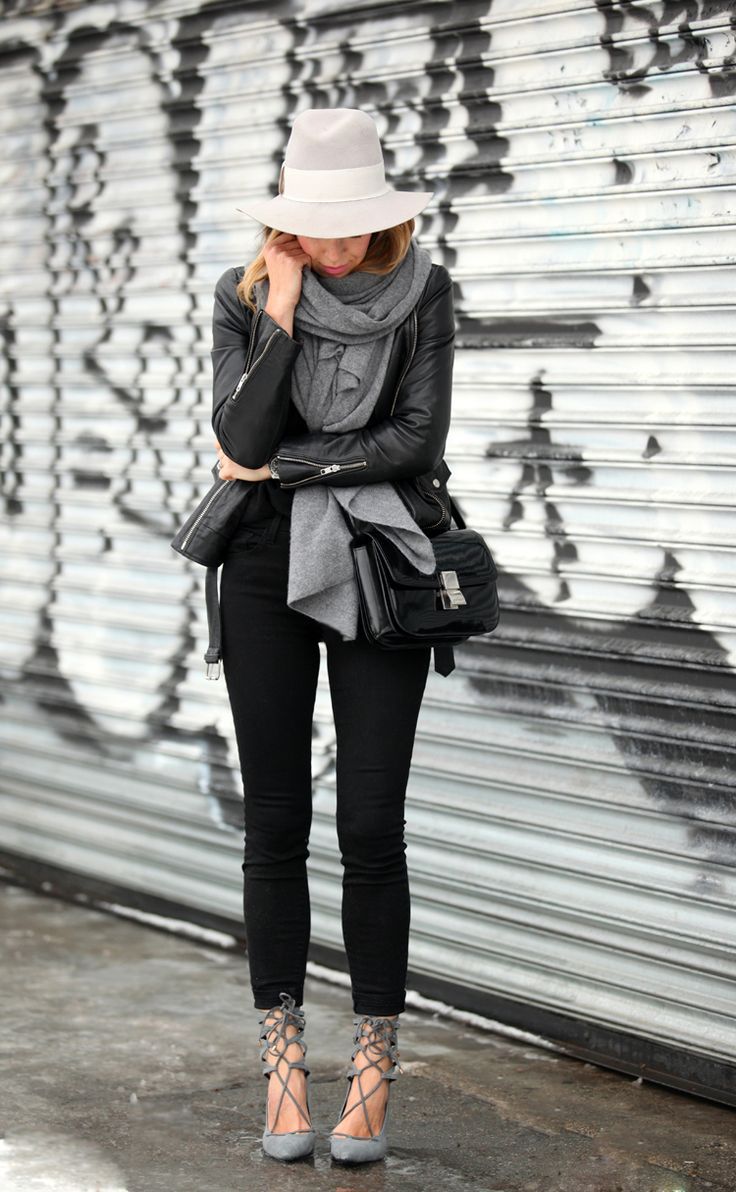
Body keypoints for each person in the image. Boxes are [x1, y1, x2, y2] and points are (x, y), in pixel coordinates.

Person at [210, 107, 455, 1164]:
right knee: (274, 822)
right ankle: (282, 1067)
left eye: (352, 222)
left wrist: (291, 467)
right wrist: (280, 311)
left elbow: (418, 439)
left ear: (384, 215)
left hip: (383, 560)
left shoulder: (423, 291)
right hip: (264, 565)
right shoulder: (241, 295)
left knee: (369, 825)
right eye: (316, 224)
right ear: (285, 223)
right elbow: (237, 434)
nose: (336, 241)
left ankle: (372, 1066)